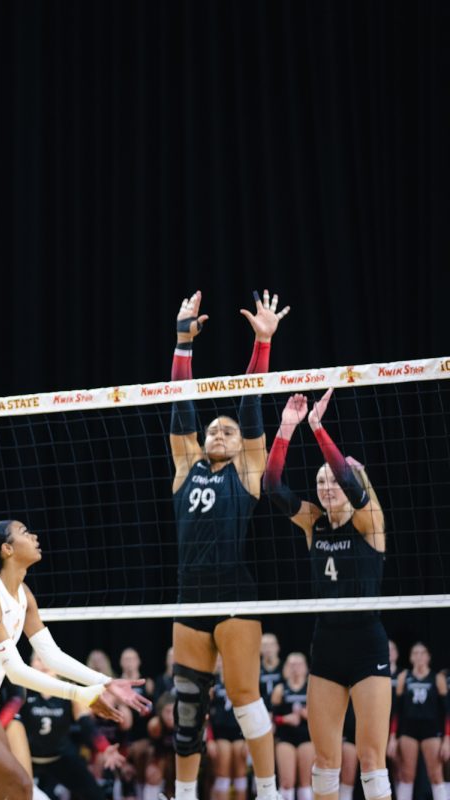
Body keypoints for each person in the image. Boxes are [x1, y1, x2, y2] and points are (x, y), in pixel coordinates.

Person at [0, 520, 151, 800]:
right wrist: (81, 694)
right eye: (25, 533)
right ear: (6, 549)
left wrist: (105, 681)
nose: (35, 536)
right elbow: (16, 672)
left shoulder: (23, 593)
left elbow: (51, 655)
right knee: (20, 785)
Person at [165, 289, 289, 800]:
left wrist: (262, 344)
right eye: (214, 429)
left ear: (242, 446)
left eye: (228, 431)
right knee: (188, 708)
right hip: (188, 595)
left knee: (243, 699)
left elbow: (251, 405)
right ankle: (186, 795)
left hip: (235, 594)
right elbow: (180, 406)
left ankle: (269, 791)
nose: (219, 431)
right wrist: (182, 342)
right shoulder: (184, 467)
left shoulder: (248, 472)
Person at [263, 390, 393, 800]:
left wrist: (318, 427)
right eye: (320, 481)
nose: (326, 486)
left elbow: (354, 489)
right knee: (325, 763)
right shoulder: (312, 523)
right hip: (327, 644)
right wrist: (286, 429)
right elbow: (272, 487)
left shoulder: (369, 521)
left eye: (331, 479)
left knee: (372, 761)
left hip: (366, 641)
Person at [18, 654, 124, 800]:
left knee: (95, 795)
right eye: (37, 659)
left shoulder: (70, 692)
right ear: (30, 666)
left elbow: (86, 723)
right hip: (27, 760)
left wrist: (104, 747)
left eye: (46, 659)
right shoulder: (23, 691)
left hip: (60, 757)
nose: (42, 664)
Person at [394, 643, 446, 800]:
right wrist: (392, 737)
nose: (419, 656)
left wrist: (447, 739)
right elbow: (396, 711)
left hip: (431, 731)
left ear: (428, 657)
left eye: (423, 653)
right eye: (415, 653)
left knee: (436, 775)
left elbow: (447, 711)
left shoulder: (437, 678)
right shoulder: (404, 677)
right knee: (406, 775)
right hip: (408, 731)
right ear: (410, 657)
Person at [271, 653, 315, 800]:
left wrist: (307, 715)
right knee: (287, 782)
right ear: (286, 668)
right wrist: (285, 719)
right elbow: (271, 719)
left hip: (306, 738)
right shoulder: (280, 689)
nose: (295, 668)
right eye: (292, 664)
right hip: (286, 738)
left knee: (305, 783)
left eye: (299, 664)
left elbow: (322, 717)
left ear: (306, 667)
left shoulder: (311, 688)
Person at [209, 657, 249, 800]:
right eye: (219, 659)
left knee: (240, 774)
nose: (224, 663)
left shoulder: (242, 681)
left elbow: (251, 712)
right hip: (220, 733)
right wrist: (209, 740)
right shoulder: (212, 683)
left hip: (240, 733)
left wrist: (249, 741)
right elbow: (205, 714)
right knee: (222, 773)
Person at [261, 634, 285, 702]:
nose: (268, 648)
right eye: (265, 645)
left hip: (280, 709)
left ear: (278, 647)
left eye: (271, 645)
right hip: (260, 708)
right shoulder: (255, 669)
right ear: (259, 648)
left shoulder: (285, 667)